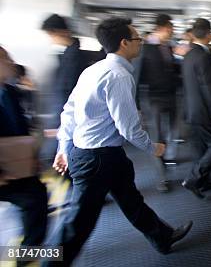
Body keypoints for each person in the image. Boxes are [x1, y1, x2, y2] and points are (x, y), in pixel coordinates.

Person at [45, 18, 192, 266]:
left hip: (99, 154)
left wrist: (63, 147)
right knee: (77, 224)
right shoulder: (119, 75)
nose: (141, 43)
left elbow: (68, 112)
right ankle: (46, 261)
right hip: (97, 158)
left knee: (130, 199)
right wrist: (152, 147)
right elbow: (128, 127)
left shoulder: (92, 70)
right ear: (124, 43)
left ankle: (163, 237)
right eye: (138, 39)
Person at [0, 46, 48, 264]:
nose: (11, 62)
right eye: (6, 59)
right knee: (33, 199)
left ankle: (28, 253)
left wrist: (31, 156)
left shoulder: (9, 91)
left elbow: (22, 128)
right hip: (3, 170)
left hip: (16, 165)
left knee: (35, 198)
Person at [181, 19, 211, 199]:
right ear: (209, 34)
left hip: (191, 110)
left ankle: (204, 181)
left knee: (201, 148)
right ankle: (193, 179)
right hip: (204, 111)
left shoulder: (189, 54)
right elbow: (210, 87)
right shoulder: (205, 56)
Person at [135, 14, 180, 192]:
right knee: (157, 137)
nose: (172, 31)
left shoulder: (168, 47)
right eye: (170, 28)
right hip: (153, 99)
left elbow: (171, 71)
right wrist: (137, 105)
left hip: (171, 95)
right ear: (160, 28)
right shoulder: (144, 49)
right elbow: (137, 77)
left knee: (171, 132)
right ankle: (161, 177)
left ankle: (164, 158)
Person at [41, 14, 87, 129]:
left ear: (60, 32)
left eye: (51, 35)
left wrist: (56, 122)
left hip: (66, 119)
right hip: (66, 117)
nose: (51, 39)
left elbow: (65, 91)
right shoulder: (69, 54)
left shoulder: (73, 58)